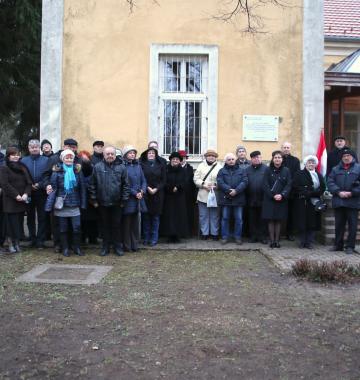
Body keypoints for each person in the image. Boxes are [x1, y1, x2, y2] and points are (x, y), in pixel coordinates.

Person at [88, 146, 130, 256]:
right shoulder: (97, 167)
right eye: (108, 154)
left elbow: (126, 185)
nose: (110, 156)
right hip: (102, 203)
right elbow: (92, 184)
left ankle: (117, 247)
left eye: (112, 154)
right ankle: (105, 247)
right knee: (104, 226)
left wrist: (124, 200)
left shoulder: (121, 167)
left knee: (116, 226)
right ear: (104, 155)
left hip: (117, 203)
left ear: (115, 155)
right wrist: (94, 201)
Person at [45, 149, 87, 257]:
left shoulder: (78, 171)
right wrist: (50, 205)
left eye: (71, 157)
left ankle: (77, 247)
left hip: (75, 204)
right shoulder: (57, 172)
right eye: (67, 157)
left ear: (73, 159)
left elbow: (82, 188)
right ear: (62, 159)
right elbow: (54, 189)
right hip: (61, 205)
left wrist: (83, 204)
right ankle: (65, 248)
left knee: (76, 227)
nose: (69, 159)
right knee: (63, 228)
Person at [327, 149, 360, 254]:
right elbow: (330, 182)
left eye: (348, 156)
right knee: (339, 225)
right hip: (339, 200)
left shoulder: (358, 168)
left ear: (352, 157)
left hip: (353, 202)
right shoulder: (335, 169)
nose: (346, 158)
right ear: (342, 158)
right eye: (344, 156)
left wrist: (352, 193)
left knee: (352, 225)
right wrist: (338, 192)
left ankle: (350, 246)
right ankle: (338, 245)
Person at [0, 146, 32, 253]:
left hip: (22, 200)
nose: (16, 157)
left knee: (19, 223)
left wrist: (26, 194)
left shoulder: (23, 167)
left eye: (17, 154)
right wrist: (16, 195)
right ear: (8, 156)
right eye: (13, 155)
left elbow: (29, 182)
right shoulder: (4, 168)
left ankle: (17, 243)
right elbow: (5, 184)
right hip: (10, 201)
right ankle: (10, 243)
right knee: (10, 224)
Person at [293, 155, 326, 249]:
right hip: (302, 202)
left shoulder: (319, 174)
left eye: (313, 163)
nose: (311, 164)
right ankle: (302, 241)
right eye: (309, 162)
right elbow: (295, 186)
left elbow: (322, 187)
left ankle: (310, 242)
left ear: (315, 164)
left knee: (313, 222)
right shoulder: (299, 174)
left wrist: (312, 192)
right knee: (302, 222)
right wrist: (306, 191)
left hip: (315, 202)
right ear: (305, 163)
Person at [21, 139, 49, 249]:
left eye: (36, 146)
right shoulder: (23, 160)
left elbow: (48, 175)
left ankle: (40, 240)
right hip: (28, 193)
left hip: (41, 192)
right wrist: (29, 185)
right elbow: (21, 176)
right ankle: (32, 239)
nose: (34, 148)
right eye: (32, 146)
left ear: (39, 148)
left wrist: (40, 184)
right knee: (30, 217)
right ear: (28, 148)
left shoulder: (46, 160)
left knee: (42, 217)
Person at [262, 150, 292, 248]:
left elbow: (289, 184)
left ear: (282, 159)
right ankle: (272, 241)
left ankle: (277, 241)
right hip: (270, 199)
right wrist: (272, 195)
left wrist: (282, 195)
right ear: (273, 159)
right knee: (270, 220)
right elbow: (265, 184)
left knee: (278, 220)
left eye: (279, 157)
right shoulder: (267, 170)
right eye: (275, 157)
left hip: (281, 199)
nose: (277, 159)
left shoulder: (286, 170)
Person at [217, 152, 248, 244]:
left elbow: (245, 182)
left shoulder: (242, 170)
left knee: (239, 219)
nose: (231, 161)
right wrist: (229, 190)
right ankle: (224, 237)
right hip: (226, 198)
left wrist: (236, 190)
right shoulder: (221, 171)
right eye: (229, 159)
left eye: (232, 159)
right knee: (225, 218)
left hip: (238, 198)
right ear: (226, 161)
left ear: (235, 160)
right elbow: (220, 182)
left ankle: (237, 237)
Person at [122, 146, 147, 252]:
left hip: (139, 198)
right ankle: (127, 246)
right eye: (130, 153)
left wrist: (142, 190)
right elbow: (124, 183)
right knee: (126, 224)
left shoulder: (138, 166)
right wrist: (134, 193)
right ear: (125, 154)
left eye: (134, 153)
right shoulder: (123, 166)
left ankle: (135, 245)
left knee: (136, 223)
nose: (132, 154)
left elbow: (143, 180)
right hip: (129, 199)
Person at [140, 147, 166, 246]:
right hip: (146, 194)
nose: (151, 154)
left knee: (155, 218)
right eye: (149, 153)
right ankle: (146, 238)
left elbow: (164, 180)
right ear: (146, 155)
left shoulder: (161, 165)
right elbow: (141, 178)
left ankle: (154, 239)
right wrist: (147, 187)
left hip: (157, 194)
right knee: (146, 217)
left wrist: (156, 188)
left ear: (155, 155)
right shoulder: (141, 164)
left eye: (153, 153)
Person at [161, 152, 189, 242]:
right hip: (168, 196)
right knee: (169, 216)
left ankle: (177, 235)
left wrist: (178, 187)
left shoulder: (183, 171)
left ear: (180, 161)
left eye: (177, 159)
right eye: (173, 159)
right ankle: (169, 235)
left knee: (178, 216)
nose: (175, 161)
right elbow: (163, 180)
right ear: (170, 160)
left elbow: (185, 181)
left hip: (179, 196)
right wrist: (170, 188)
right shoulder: (166, 169)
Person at [193, 149, 221, 240]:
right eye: (209, 155)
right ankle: (204, 233)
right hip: (203, 194)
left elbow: (222, 179)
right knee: (203, 215)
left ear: (215, 157)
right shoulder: (200, 166)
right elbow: (195, 179)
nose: (211, 157)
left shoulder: (219, 167)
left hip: (215, 194)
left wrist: (215, 185)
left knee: (215, 215)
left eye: (213, 156)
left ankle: (214, 233)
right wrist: (204, 185)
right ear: (206, 157)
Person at [245, 150, 268, 244]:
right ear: (251, 159)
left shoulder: (266, 169)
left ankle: (262, 237)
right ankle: (253, 236)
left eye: (259, 157)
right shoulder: (247, 170)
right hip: (251, 198)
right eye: (255, 158)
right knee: (252, 219)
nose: (257, 159)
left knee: (262, 219)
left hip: (263, 198)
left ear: (261, 158)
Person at [281, 141, 300, 240]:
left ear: (290, 148)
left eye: (288, 147)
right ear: (281, 149)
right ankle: (279, 234)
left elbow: (297, 175)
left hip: (292, 191)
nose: (286, 149)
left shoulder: (295, 160)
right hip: (279, 191)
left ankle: (289, 233)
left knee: (291, 213)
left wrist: (290, 185)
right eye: (284, 147)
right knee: (279, 212)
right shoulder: (278, 159)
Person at [179, 150, 196, 234]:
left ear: (186, 158)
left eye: (184, 158)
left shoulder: (190, 168)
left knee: (188, 213)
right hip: (177, 195)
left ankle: (187, 231)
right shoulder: (173, 167)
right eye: (180, 158)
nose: (182, 160)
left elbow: (192, 182)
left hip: (188, 195)